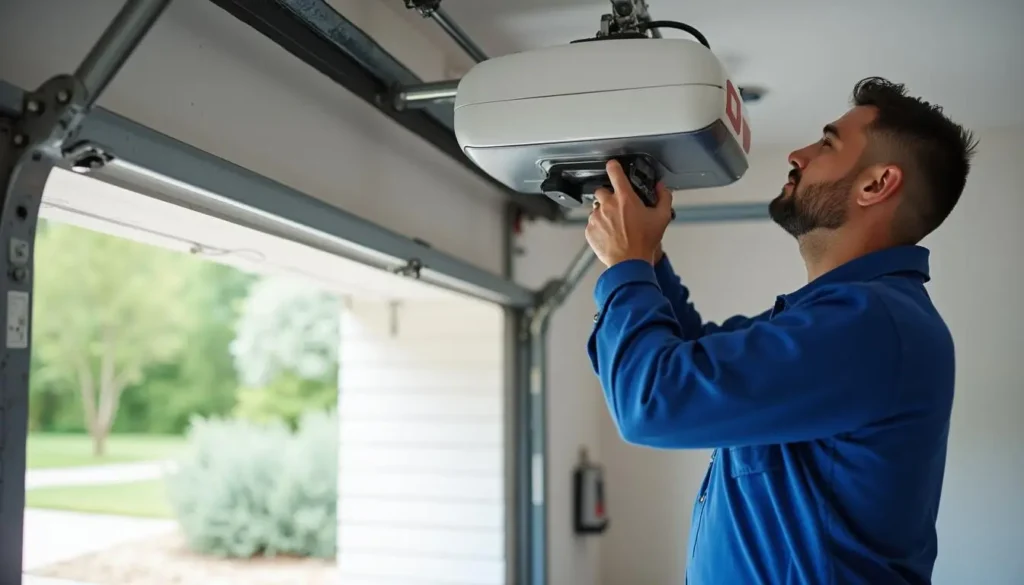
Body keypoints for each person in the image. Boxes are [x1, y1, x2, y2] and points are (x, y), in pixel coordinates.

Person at [584, 77, 977, 585]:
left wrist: (629, 263)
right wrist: (646, 255)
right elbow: (692, 357)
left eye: (827, 143)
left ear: (876, 184)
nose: (799, 152)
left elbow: (652, 403)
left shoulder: (870, 325)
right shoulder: (844, 317)